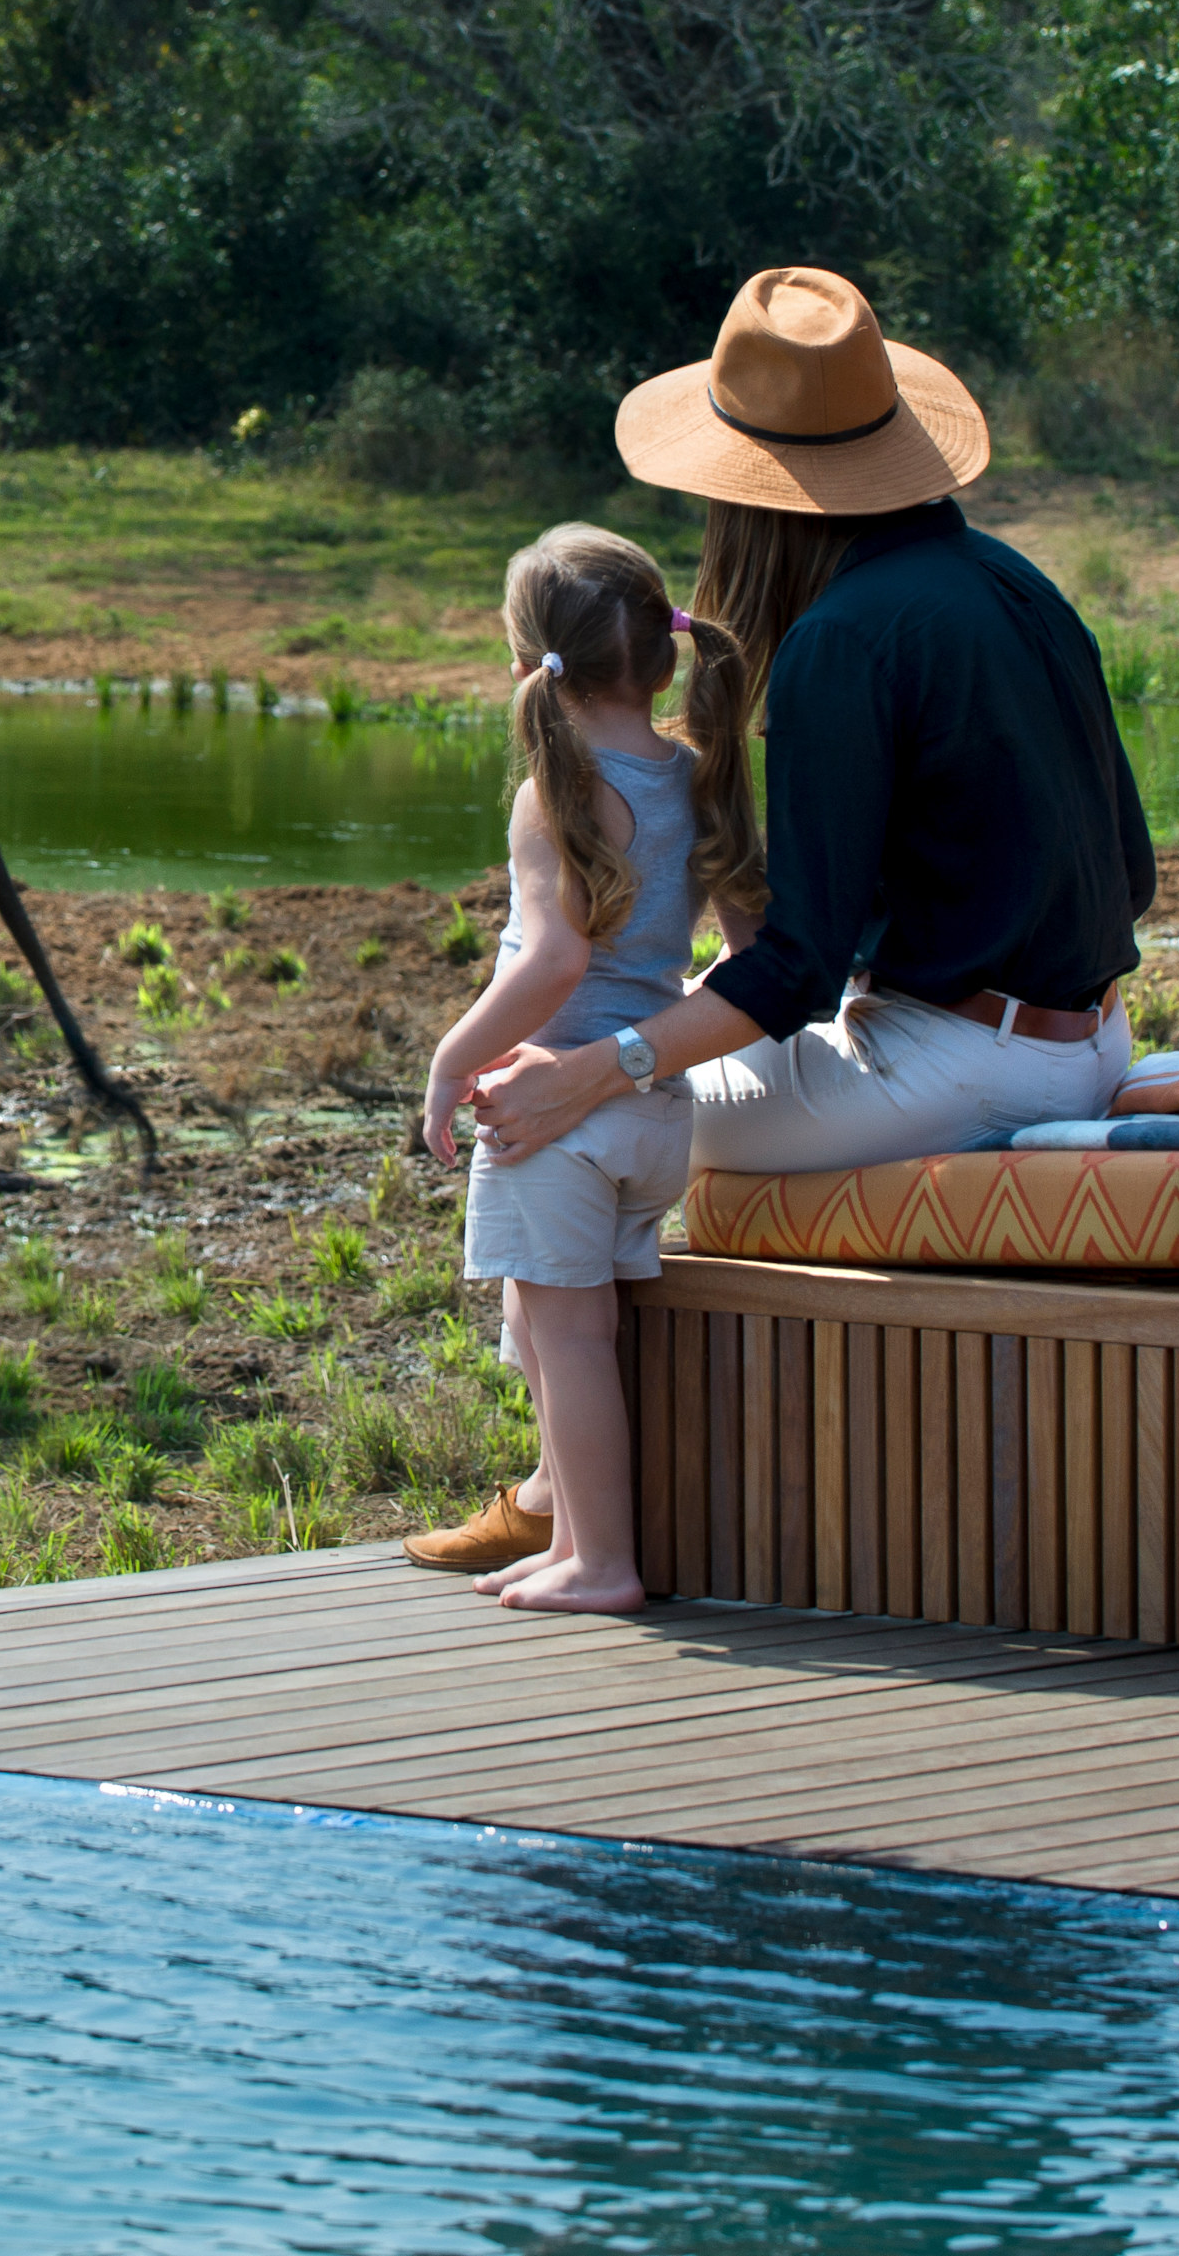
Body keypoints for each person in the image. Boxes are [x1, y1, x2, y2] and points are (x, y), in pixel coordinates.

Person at [432, 269, 1152, 1549]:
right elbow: (1131, 875)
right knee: (576, 1100)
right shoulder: (1017, 584)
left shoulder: (841, 642)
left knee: (543, 1120)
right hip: (1089, 1042)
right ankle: (559, 1484)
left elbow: (798, 973)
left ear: (751, 494)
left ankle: (562, 1503)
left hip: (956, 1065)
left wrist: (599, 1066)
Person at [409, 524, 753, 1611]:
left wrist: (449, 1057)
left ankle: (600, 1559)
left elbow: (553, 961)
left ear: (525, 664)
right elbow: (745, 964)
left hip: (555, 1116)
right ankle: (563, 1520)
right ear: (662, 656)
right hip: (653, 1107)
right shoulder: (700, 777)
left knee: (567, 1336)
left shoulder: (549, 792)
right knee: (554, 1321)